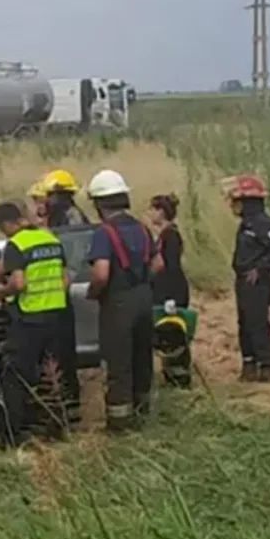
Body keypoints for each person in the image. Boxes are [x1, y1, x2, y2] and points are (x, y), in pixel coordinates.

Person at [0, 201, 75, 447]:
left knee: (15, 375)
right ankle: (57, 429)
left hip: (29, 319)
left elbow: (18, 284)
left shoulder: (16, 245)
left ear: (6, 224)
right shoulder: (51, 240)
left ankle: (13, 435)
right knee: (52, 373)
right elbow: (65, 281)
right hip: (57, 316)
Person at [84, 169, 163, 432]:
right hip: (143, 297)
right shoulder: (141, 227)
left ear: (98, 203)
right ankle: (143, 415)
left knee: (119, 363)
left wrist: (94, 293)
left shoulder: (103, 233)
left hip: (118, 302)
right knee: (142, 358)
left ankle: (120, 424)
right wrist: (140, 282)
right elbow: (158, 264)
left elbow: (101, 273)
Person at [226, 173, 270, 383]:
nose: (233, 205)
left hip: (257, 283)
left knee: (258, 323)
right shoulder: (247, 223)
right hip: (244, 281)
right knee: (244, 322)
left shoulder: (262, 223)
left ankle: (266, 365)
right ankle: (249, 364)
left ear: (248, 202)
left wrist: (261, 268)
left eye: (237, 201)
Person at [147, 193, 193, 388]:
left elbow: (171, 267)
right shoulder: (163, 235)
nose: (150, 214)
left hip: (172, 291)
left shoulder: (170, 236)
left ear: (161, 212)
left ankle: (179, 377)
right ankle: (171, 375)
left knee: (173, 333)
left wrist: (170, 296)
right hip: (166, 290)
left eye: (153, 209)